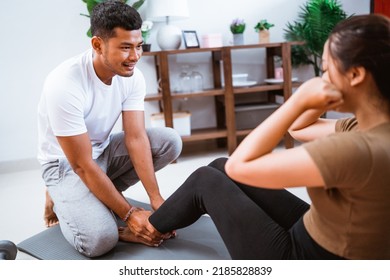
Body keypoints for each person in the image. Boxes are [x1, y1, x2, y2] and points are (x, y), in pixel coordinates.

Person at [120, 14, 390, 259]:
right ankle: (157, 223)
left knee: (207, 180)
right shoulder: (364, 127)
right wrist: (318, 100)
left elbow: (243, 165)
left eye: (327, 68)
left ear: (355, 75)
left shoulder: (356, 149)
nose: (322, 77)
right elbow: (299, 129)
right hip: (322, 229)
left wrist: (299, 100)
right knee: (220, 167)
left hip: (306, 260)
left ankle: (147, 228)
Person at [37, 1, 182, 257]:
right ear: (97, 45)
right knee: (100, 241)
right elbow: (81, 164)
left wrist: (156, 198)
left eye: (138, 46)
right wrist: (130, 215)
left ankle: (92, 198)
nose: (135, 56)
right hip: (65, 165)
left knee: (170, 140)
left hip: (102, 154)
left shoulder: (132, 75)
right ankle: (61, 197)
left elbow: (136, 138)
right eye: (125, 48)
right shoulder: (64, 84)